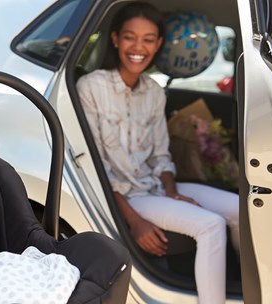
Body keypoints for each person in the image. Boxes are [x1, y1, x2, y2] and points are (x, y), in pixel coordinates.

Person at [76, 2, 240, 304]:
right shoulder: (91, 87)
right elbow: (96, 166)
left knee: (241, 209)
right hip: (130, 196)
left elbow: (162, 154)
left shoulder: (152, 90)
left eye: (148, 39)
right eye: (130, 37)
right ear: (115, 39)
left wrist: (171, 191)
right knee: (211, 226)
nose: (138, 47)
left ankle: (254, 288)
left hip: (156, 186)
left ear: (159, 44)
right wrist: (134, 221)